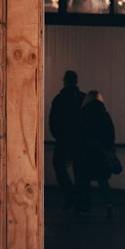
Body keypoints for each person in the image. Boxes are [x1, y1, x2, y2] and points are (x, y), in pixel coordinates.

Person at [74, 90, 116, 218]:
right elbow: (111, 135)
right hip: (101, 154)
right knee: (103, 181)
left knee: (85, 181)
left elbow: (78, 136)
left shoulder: (82, 115)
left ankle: (86, 208)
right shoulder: (105, 115)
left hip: (86, 154)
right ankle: (109, 205)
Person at [48, 69, 84, 210]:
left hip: (63, 140)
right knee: (79, 171)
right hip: (80, 141)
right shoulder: (83, 98)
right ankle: (80, 199)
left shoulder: (59, 99)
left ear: (65, 81)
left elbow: (53, 121)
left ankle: (70, 196)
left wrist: (58, 136)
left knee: (59, 166)